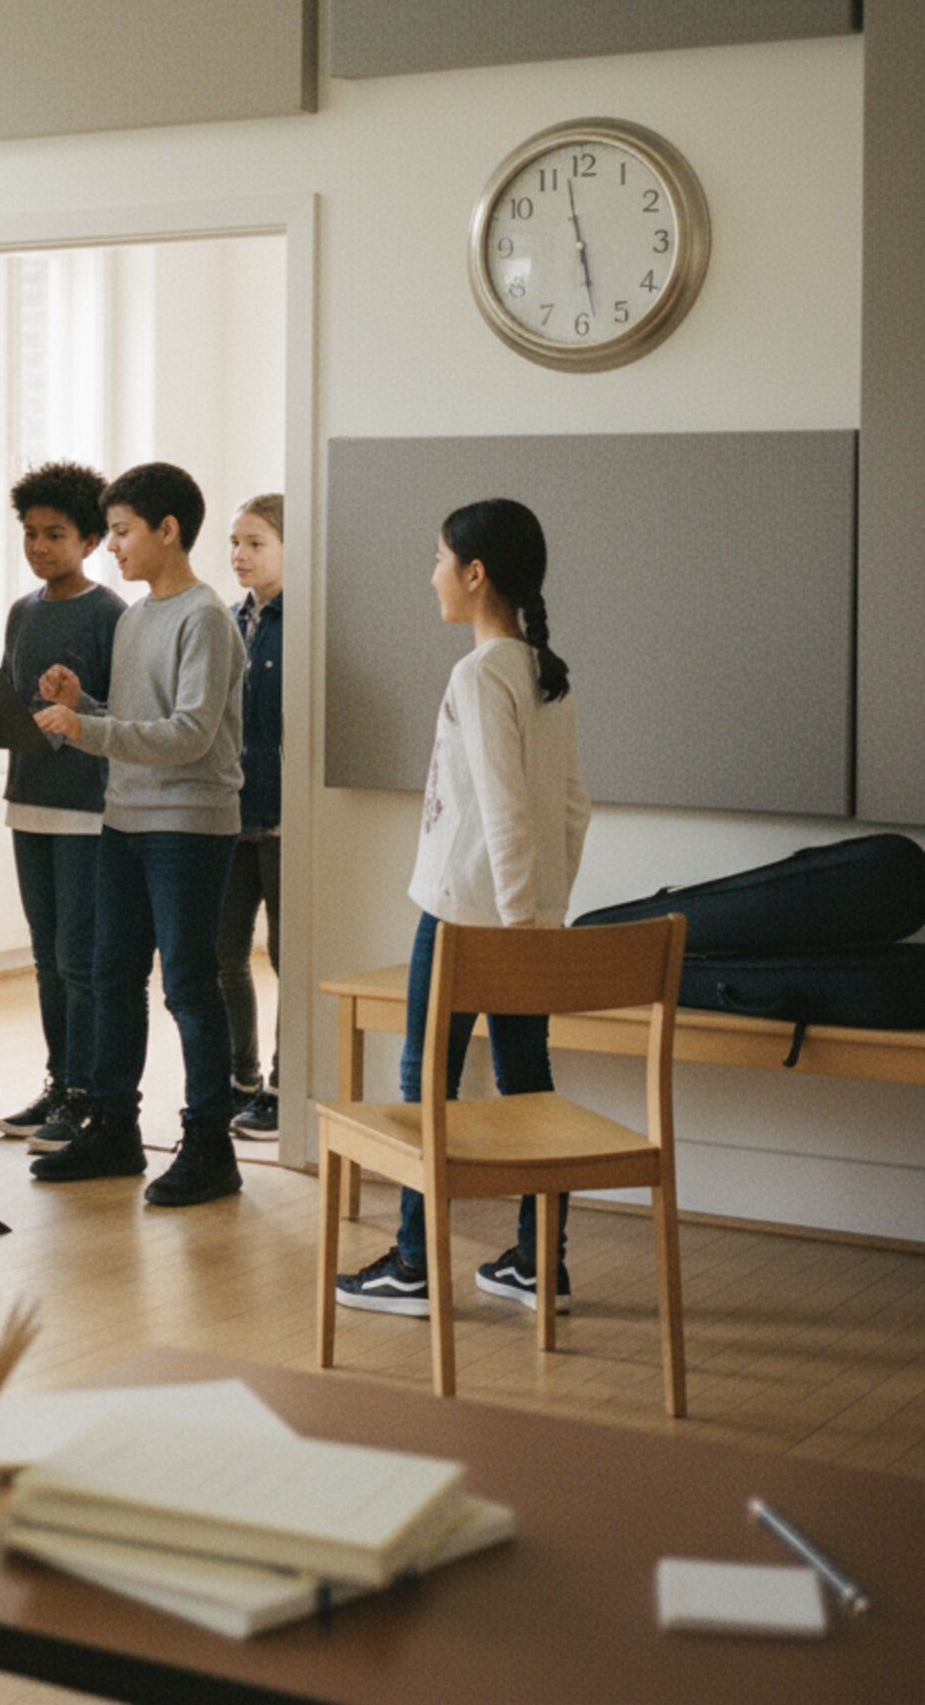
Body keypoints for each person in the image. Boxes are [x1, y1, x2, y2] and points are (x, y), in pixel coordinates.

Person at [336, 497, 590, 1319]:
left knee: (425, 1084)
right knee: (529, 1087)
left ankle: (413, 1265)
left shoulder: (479, 673)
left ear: (475, 575)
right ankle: (536, 1262)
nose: (431, 574)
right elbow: (572, 812)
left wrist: (516, 928)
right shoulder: (543, 668)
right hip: (525, 915)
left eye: (440, 559)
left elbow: (508, 808)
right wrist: (543, 911)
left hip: (465, 916)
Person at [28, 461, 245, 1207]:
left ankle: (211, 1144)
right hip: (124, 818)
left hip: (187, 823)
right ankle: (115, 1128)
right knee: (113, 973)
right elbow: (136, 718)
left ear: (168, 530)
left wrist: (85, 726)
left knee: (188, 983)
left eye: (120, 532)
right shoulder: (137, 616)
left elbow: (186, 735)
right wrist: (80, 698)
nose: (111, 547)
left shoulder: (205, 617)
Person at [0, 461, 124, 1154]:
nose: (41, 547)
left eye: (56, 534)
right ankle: (58, 1082)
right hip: (29, 804)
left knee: (79, 960)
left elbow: (121, 718)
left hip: (86, 810)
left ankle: (86, 1096)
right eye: (31, 534)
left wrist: (80, 703)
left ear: (93, 540)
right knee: (48, 960)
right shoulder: (23, 611)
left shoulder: (110, 615)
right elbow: (13, 707)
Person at [222, 494, 285, 1142]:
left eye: (256, 542)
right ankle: (237, 1077)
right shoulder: (230, 620)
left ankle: (282, 1086)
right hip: (229, 813)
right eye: (234, 542)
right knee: (222, 955)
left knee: (287, 957)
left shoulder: (304, 621)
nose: (239, 554)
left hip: (286, 820)